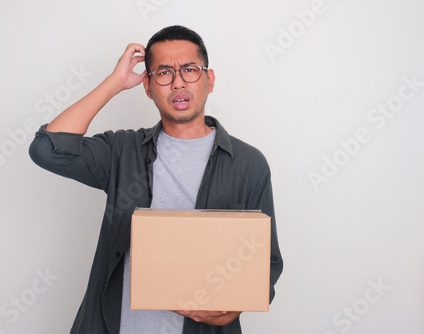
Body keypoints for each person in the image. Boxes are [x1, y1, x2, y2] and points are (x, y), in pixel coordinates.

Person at [29, 25, 283, 334]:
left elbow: (265, 261)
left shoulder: (248, 164)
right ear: (148, 87)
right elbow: (48, 149)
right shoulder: (121, 151)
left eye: (189, 70)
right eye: (163, 73)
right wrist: (115, 83)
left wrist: (234, 310)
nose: (178, 83)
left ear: (209, 79)